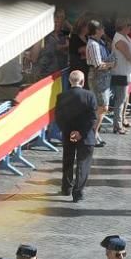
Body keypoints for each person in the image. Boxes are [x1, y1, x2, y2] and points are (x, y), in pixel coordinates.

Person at [54, 69, 99, 203]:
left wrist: (69, 132)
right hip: (85, 137)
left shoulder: (61, 96)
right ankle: (78, 192)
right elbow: (92, 118)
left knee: (68, 161)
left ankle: (66, 187)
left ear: (69, 81)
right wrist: (81, 133)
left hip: (68, 135)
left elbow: (58, 117)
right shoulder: (89, 95)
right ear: (83, 81)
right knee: (83, 164)